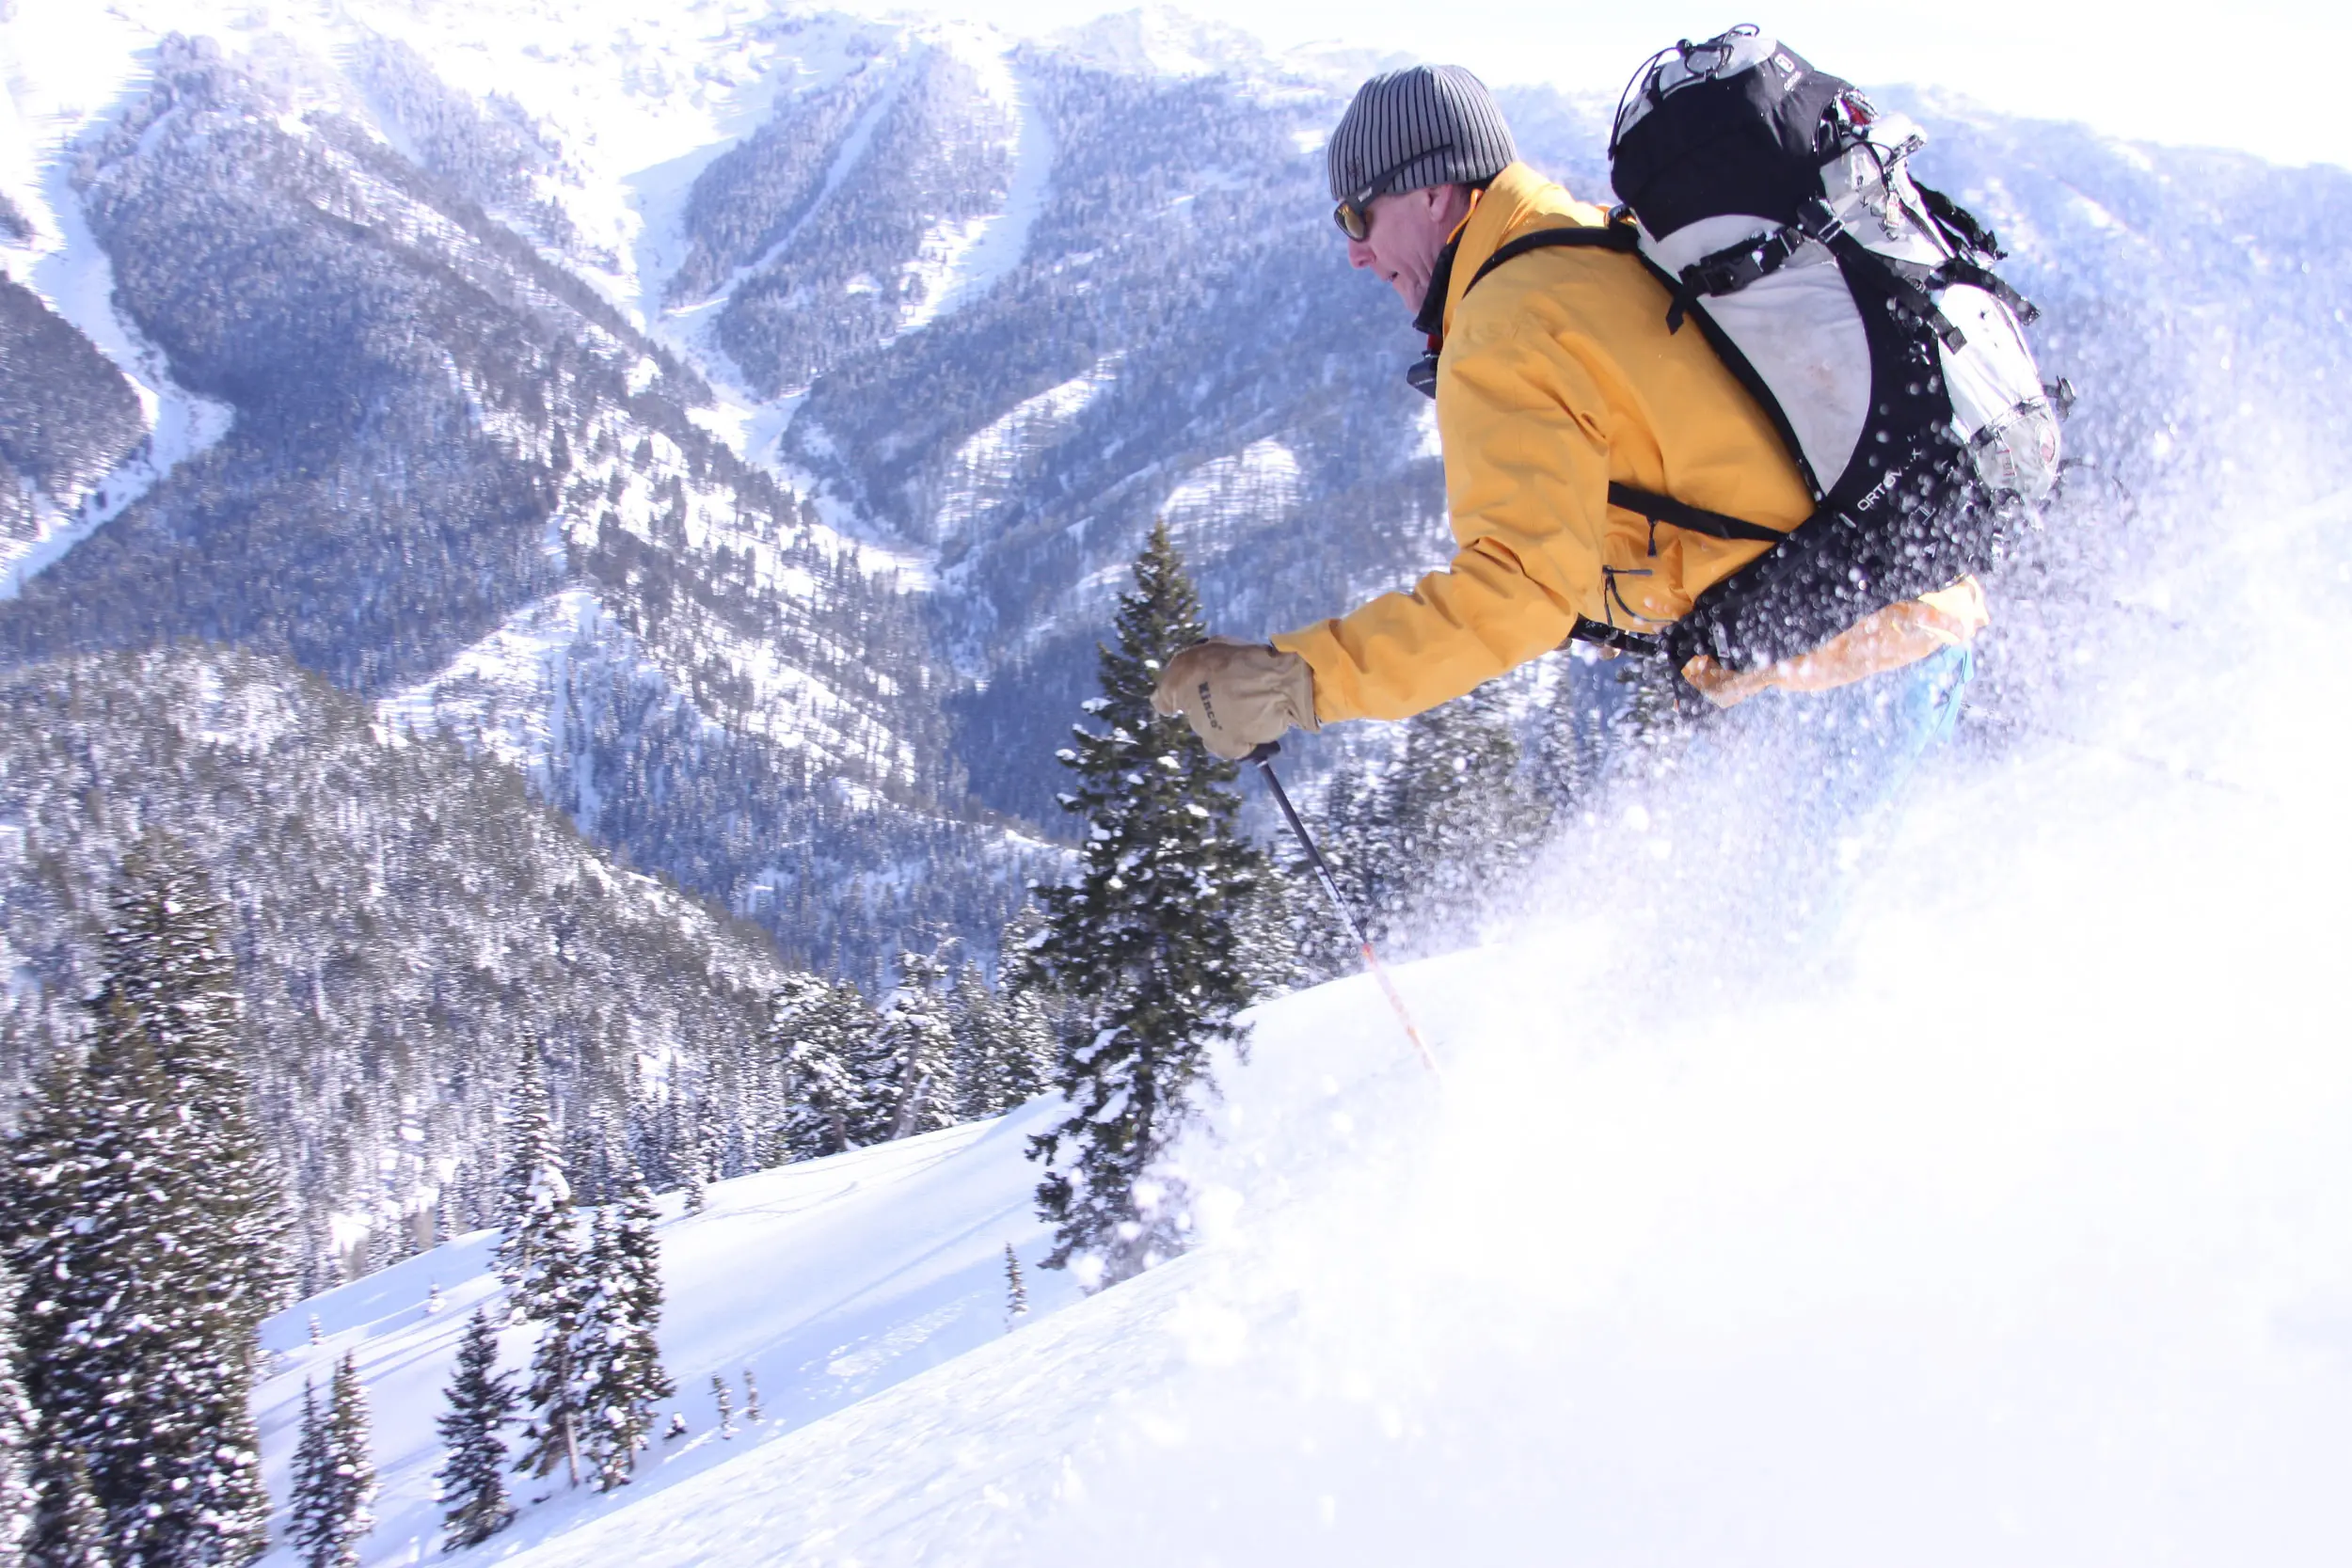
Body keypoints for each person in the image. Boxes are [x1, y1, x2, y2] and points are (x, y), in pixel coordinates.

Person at [1150, 63, 1985, 768]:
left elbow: (1515, 594)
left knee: (1804, 963)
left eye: (1358, 213)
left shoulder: (1505, 325)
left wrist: (1295, 681)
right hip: (1888, 617)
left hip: (1842, 665)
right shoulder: (1578, 243)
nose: (1355, 249)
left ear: (1434, 192)